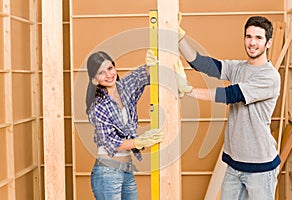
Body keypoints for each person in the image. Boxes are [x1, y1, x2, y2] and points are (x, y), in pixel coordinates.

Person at [175, 16, 281, 199]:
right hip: (233, 164)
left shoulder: (270, 77)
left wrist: (189, 91)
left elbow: (231, 95)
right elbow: (203, 64)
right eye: (248, 37)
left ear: (269, 43)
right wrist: (178, 37)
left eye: (258, 38)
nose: (252, 43)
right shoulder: (238, 68)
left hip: (260, 167)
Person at [85, 50, 163, 200]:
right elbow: (110, 142)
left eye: (110, 68)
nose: (108, 75)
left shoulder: (123, 88)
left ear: (115, 67)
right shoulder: (98, 106)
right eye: (101, 73)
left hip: (127, 169)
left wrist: (149, 66)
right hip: (107, 172)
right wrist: (139, 141)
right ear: (94, 79)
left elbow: (140, 77)